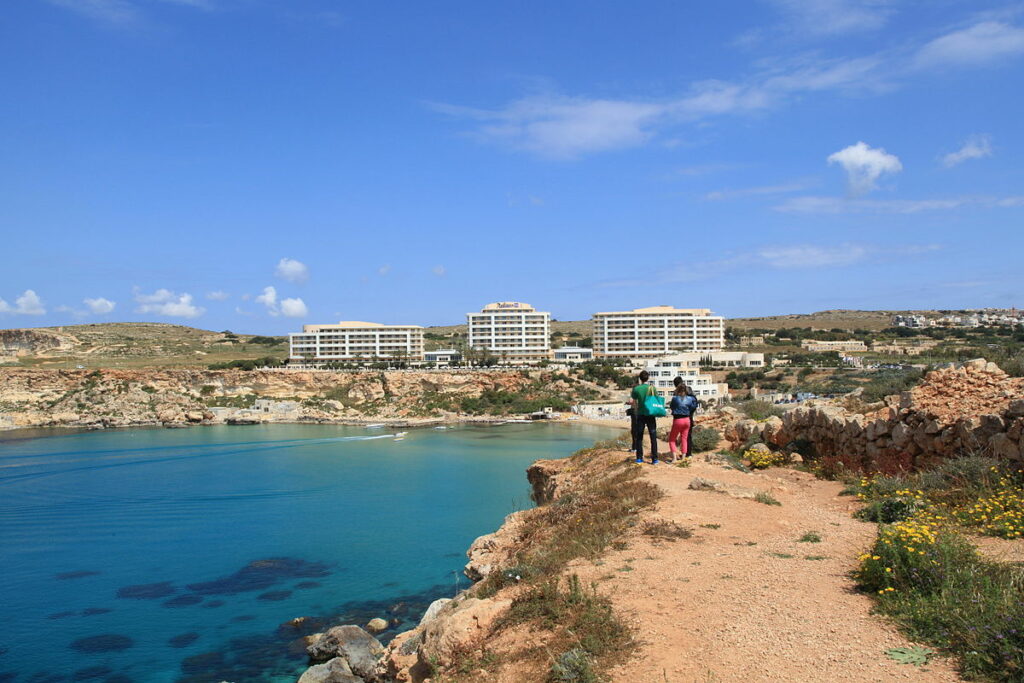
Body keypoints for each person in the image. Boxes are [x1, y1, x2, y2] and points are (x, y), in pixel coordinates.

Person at [630, 370, 660, 464]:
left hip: (640, 414)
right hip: (650, 414)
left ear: (640, 378)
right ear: (648, 378)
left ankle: (639, 457)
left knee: (639, 436)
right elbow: (656, 399)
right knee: (653, 436)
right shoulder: (652, 388)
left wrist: (636, 408)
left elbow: (632, 401)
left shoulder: (637, 389)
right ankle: (654, 458)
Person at [668, 381, 698, 462]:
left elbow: (672, 407)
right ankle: (684, 458)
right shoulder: (690, 399)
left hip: (678, 420)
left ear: (677, 390)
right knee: (684, 439)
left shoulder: (675, 398)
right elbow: (692, 407)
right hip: (687, 420)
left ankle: (674, 459)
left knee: (672, 439)